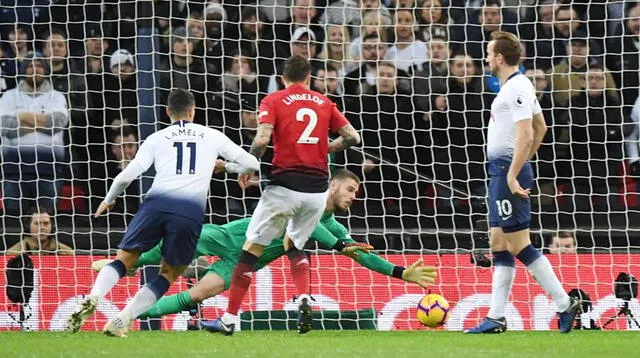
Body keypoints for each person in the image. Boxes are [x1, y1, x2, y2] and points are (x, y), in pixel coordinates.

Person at [91, 169, 437, 323]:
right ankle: (124, 263)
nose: (353, 197)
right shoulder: (310, 201)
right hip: (234, 236)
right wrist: (339, 245)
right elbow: (324, 233)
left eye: (356, 194)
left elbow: (355, 252)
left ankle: (128, 316)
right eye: (350, 190)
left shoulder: (334, 224)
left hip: (244, 263)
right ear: (333, 186)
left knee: (199, 294)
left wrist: (399, 271)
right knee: (177, 248)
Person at [65, 89, 259, 337]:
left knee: (124, 259)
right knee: (168, 274)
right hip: (189, 212)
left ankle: (94, 296)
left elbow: (126, 175)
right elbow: (253, 164)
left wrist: (109, 199)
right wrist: (226, 167)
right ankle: (124, 318)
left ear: (167, 112)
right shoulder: (211, 135)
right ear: (193, 111)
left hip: (155, 204)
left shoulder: (157, 137)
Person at [207, 55, 361, 336]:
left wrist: (246, 166)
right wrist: (327, 148)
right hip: (316, 190)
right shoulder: (325, 102)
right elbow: (353, 137)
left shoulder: (274, 100)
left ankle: (228, 319)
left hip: (283, 187)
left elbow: (263, 139)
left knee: (250, 252)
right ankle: (303, 297)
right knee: (294, 245)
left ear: (283, 78)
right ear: (309, 79)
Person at [465, 31, 580, 334]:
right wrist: (521, 163)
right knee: (498, 242)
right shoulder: (517, 85)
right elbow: (541, 127)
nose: (486, 58)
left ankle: (564, 303)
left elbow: (528, 132)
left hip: (505, 171)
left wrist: (514, 172)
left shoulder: (516, 86)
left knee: (519, 245)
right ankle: (496, 317)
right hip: (501, 171)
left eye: (489, 53)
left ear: (499, 58)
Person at [0, 51, 69, 216]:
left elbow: (58, 123)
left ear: (45, 69)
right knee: (13, 222)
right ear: (24, 70)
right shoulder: (9, 96)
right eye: (30, 66)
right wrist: (41, 123)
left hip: (49, 171)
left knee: (47, 221)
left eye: (39, 65)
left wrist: (23, 117)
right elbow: (5, 126)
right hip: (14, 171)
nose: (35, 69)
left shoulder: (57, 97)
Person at [5, 206, 73, 256]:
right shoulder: (14, 253)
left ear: (52, 226)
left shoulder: (67, 253)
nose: (42, 228)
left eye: (46, 223)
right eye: (37, 224)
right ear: (28, 226)